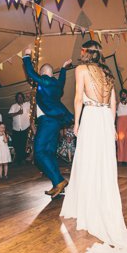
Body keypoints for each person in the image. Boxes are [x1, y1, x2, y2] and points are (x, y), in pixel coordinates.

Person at [60, 40, 127, 253]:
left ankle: (87, 208)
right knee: (102, 165)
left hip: (90, 116)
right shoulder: (108, 73)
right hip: (104, 119)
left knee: (87, 161)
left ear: (85, 52)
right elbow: (113, 102)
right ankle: (99, 203)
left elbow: (79, 98)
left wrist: (77, 123)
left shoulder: (81, 69)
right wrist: (111, 126)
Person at [22, 46, 73, 197]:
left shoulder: (45, 81)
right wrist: (63, 68)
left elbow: (31, 73)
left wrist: (26, 56)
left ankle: (59, 180)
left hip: (47, 121)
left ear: (44, 73)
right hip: (56, 122)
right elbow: (62, 80)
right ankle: (57, 185)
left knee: (38, 153)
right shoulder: (57, 85)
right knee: (49, 153)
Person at [7, 92, 31, 165]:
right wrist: (17, 113)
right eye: (18, 97)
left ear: (23, 98)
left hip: (25, 127)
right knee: (17, 144)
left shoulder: (27, 104)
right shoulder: (13, 106)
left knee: (24, 144)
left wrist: (29, 97)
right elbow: (9, 115)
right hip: (16, 128)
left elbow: (34, 102)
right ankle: (18, 159)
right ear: (16, 99)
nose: (20, 98)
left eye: (21, 97)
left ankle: (23, 159)